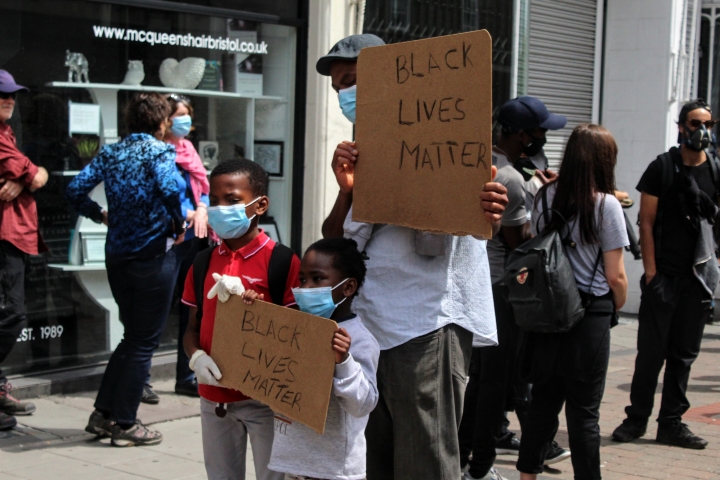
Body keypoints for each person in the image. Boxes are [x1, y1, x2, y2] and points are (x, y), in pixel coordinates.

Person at [317, 34, 509, 479]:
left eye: (353, 82)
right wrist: (346, 192)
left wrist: (488, 211)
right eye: (339, 88)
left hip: (426, 326)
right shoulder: (360, 151)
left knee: (425, 460)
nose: (346, 96)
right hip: (372, 327)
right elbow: (337, 243)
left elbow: (476, 226)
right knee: (376, 459)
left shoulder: (441, 138)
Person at [66, 92, 186, 447]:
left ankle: (103, 414)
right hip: (152, 256)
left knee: (131, 337)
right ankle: (125, 422)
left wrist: (99, 214)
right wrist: (179, 225)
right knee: (144, 341)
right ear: (163, 122)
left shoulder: (112, 152)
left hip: (117, 255)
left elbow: (74, 189)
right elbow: (169, 188)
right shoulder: (160, 150)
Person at [459, 97, 570, 480]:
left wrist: (536, 184)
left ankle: (464, 457)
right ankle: (479, 466)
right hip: (501, 288)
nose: (544, 137)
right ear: (522, 135)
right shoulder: (509, 178)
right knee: (495, 381)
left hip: (482, 284)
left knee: (484, 378)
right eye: (541, 131)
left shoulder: (490, 162)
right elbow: (517, 239)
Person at [516, 124, 629, 480]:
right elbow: (616, 276)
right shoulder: (607, 204)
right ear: (604, 160)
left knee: (543, 405)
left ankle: (527, 476)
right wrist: (618, 305)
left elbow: (537, 243)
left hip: (548, 311)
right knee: (584, 413)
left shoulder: (545, 196)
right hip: (589, 313)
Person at [181, 158, 299, 480]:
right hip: (213, 399)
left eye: (232, 201)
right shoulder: (202, 262)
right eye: (214, 201)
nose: (220, 209)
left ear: (259, 204)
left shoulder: (282, 261)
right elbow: (191, 327)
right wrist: (196, 358)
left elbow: (296, 335)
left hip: (265, 402)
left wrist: (258, 307)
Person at [612, 99, 720, 449]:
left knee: (683, 357)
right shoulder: (662, 167)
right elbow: (646, 222)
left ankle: (671, 423)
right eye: (694, 122)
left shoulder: (716, 169)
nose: (701, 130)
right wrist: (652, 274)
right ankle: (636, 420)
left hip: (697, 281)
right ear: (680, 126)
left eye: (708, 123)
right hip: (665, 279)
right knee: (650, 355)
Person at [244, 237, 378, 480]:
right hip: (294, 466)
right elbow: (268, 383)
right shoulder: (295, 330)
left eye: (318, 279)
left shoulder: (358, 339)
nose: (305, 288)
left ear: (348, 287)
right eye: (302, 279)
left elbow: (363, 404)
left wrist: (344, 362)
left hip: (334, 470)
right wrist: (259, 320)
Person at [141, 93, 209, 402]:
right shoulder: (157, 153)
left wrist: (204, 209)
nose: (185, 121)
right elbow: (161, 196)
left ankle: (186, 376)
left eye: (187, 115)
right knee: (153, 311)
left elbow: (204, 188)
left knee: (190, 310)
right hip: (169, 238)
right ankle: (139, 379)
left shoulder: (189, 150)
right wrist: (188, 212)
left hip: (194, 239)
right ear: (165, 120)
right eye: (178, 115)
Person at [0, 70, 48, 431]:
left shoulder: (7, 134)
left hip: (12, 237)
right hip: (5, 238)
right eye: (2, 95)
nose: (9, 100)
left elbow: (31, 176)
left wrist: (24, 177)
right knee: (11, 313)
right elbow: (37, 177)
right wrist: (27, 177)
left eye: (12, 95)